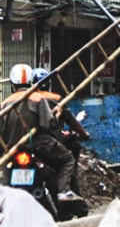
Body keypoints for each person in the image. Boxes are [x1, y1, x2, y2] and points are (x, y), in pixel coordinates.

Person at [0, 64, 81, 202]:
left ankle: (5, 194)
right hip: (38, 144)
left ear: (12, 83)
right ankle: (63, 191)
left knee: (5, 160)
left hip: (13, 147)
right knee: (68, 159)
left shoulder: (5, 103)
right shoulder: (37, 98)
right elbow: (46, 124)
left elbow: (1, 132)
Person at [32, 68, 90, 196]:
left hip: (26, 143)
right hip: (49, 144)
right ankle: (65, 191)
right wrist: (84, 134)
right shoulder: (56, 99)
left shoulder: (27, 99)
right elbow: (72, 121)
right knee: (68, 161)